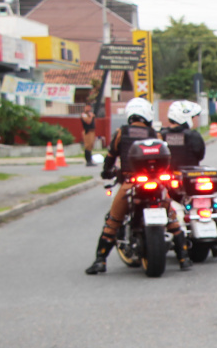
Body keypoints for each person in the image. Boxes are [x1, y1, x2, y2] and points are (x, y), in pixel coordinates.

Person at [85, 97, 166, 274]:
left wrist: (106, 172)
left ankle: (100, 260)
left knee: (113, 221)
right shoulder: (155, 134)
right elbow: (167, 157)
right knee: (171, 216)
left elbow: (111, 155)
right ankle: (184, 256)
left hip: (131, 182)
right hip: (155, 181)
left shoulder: (121, 132)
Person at [160, 100, 206, 263]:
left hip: (167, 182)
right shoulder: (193, 136)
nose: (193, 121)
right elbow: (200, 155)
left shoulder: (161, 134)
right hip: (190, 182)